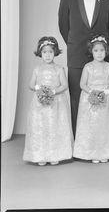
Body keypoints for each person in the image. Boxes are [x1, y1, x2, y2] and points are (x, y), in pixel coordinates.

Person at [58, 0, 109, 136]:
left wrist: (102, 48)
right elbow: (63, 27)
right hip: (76, 54)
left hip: (102, 56)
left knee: (104, 96)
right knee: (77, 97)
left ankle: (103, 139)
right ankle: (79, 141)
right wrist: (74, 43)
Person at [73, 34, 109, 163]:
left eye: (102, 50)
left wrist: (106, 91)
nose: (99, 53)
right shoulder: (88, 67)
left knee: (104, 125)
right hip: (90, 98)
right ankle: (92, 152)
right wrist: (92, 92)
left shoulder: (108, 67)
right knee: (92, 126)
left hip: (106, 98)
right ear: (92, 51)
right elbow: (82, 84)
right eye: (96, 50)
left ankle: (105, 151)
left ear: (106, 51)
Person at [23, 37, 73, 166]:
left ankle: (55, 154)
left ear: (55, 52)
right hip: (40, 102)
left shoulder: (59, 69)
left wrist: (53, 92)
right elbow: (31, 85)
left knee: (54, 126)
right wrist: (40, 89)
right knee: (41, 127)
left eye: (50, 52)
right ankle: (41, 155)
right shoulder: (37, 69)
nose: (47, 55)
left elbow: (64, 85)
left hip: (56, 102)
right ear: (40, 53)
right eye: (45, 52)